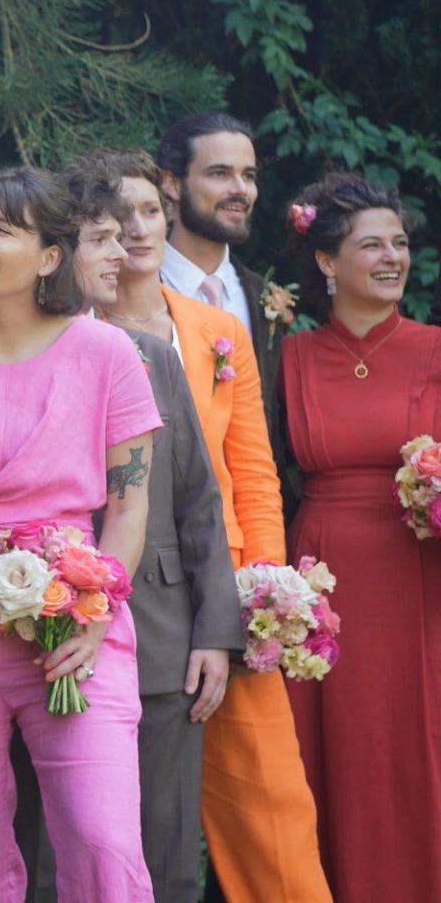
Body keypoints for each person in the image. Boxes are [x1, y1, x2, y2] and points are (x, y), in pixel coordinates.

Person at [0, 166, 159, 901]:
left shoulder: (108, 352)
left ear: (50, 257)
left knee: (104, 839)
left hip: (76, 627)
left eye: (2, 228)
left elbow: (129, 506)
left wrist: (99, 613)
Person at [101, 148, 330, 903]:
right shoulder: (71, 329)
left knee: (271, 798)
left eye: (147, 212)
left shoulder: (216, 329)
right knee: (127, 807)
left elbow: (254, 474)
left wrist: (265, 589)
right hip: (115, 586)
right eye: (116, 217)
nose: (136, 230)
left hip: (224, 587)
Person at [11, 154, 241, 903]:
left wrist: (215, 633)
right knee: (52, 855)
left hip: (163, 639)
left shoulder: (152, 357)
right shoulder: (4, 354)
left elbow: (199, 501)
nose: (125, 253)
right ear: (55, 252)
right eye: (102, 239)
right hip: (39, 637)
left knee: (166, 854)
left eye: (124, 235)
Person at [282, 173, 441, 900]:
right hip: (324, 578)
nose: (392, 257)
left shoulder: (434, 348)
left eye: (399, 243)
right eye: (372, 244)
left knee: (415, 741)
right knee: (332, 753)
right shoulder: (288, 357)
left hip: (420, 575)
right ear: (327, 261)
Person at [157, 113, 283, 446]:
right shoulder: (131, 289)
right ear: (172, 184)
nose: (240, 189)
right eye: (220, 174)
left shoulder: (263, 296)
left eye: (248, 176)